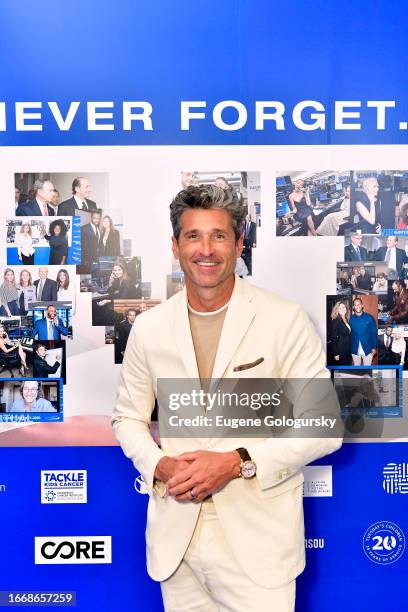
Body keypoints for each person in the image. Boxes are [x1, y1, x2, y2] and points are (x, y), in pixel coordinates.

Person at [112, 184, 342, 612]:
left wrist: (236, 462)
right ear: (175, 246)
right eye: (193, 236)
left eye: (219, 236)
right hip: (176, 537)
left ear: (239, 244)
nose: (206, 249)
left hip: (258, 542)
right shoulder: (150, 327)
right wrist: (159, 464)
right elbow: (127, 419)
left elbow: (323, 426)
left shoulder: (284, 320)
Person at [349, 297, 377, 365]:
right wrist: (350, 348)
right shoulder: (351, 318)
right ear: (353, 307)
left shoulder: (369, 318)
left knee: (368, 370)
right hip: (355, 349)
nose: (357, 306)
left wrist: (374, 347)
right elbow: (349, 334)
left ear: (362, 305)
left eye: (359, 304)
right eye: (355, 305)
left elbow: (373, 333)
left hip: (367, 349)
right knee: (357, 370)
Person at [329, 301, 351, 365]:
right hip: (340, 350)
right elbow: (333, 338)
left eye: (343, 307)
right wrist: (336, 354)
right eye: (340, 308)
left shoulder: (346, 319)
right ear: (337, 310)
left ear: (346, 308)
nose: (342, 309)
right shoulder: (336, 321)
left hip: (347, 349)